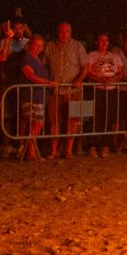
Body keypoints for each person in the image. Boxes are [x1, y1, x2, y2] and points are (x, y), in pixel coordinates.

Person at [80, 33, 127, 156]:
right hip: (97, 89)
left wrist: (114, 78)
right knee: (95, 117)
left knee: (108, 118)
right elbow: (87, 72)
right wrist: (99, 79)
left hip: (111, 89)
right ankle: (92, 145)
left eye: (106, 41)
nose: (104, 43)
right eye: (101, 41)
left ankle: (105, 145)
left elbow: (120, 72)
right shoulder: (92, 55)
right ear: (97, 42)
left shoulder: (114, 56)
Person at [45, 22, 87, 159]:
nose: (64, 35)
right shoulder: (50, 46)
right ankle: (54, 150)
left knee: (72, 121)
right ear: (57, 32)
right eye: (62, 32)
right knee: (54, 121)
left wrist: (80, 79)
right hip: (55, 91)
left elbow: (85, 66)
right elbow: (44, 65)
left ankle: (68, 150)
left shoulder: (78, 46)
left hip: (73, 91)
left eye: (67, 32)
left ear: (71, 32)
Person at [15, 35, 54, 161]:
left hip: (39, 97)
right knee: (35, 124)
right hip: (30, 97)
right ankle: (30, 153)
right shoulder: (27, 59)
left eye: (39, 46)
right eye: (35, 45)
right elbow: (31, 76)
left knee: (37, 125)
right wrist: (47, 82)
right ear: (30, 45)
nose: (37, 48)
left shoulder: (38, 59)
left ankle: (30, 152)